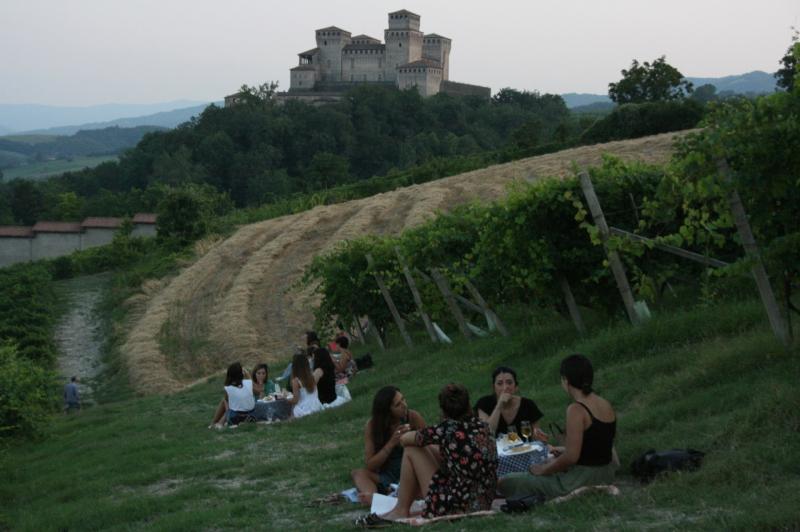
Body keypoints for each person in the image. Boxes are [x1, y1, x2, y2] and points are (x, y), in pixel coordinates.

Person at [498, 354, 617, 500]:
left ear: (566, 380)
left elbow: (571, 457)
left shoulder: (576, 409)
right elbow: (597, 445)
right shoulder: (605, 403)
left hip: (583, 478)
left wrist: (543, 470)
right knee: (549, 463)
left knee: (507, 481)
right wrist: (562, 452)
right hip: (607, 473)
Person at [379, 383, 497, 521]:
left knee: (412, 449)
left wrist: (407, 434)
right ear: (468, 404)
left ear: (443, 409)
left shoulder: (446, 429)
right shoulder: (483, 425)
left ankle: (401, 509)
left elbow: (405, 440)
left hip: (458, 506)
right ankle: (404, 502)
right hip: (484, 500)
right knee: (430, 447)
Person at [350, 386, 426, 505]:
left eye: (403, 399)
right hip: (388, 476)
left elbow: (429, 448)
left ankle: (391, 496)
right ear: (387, 411)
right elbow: (370, 465)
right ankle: (376, 499)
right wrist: (391, 443)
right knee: (358, 474)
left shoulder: (413, 417)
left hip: (412, 473)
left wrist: (413, 439)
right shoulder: (373, 426)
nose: (404, 405)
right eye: (398, 404)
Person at [475, 366, 544, 437]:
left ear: (516, 387)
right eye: (499, 383)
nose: (505, 387)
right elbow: (487, 433)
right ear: (494, 387)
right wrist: (499, 405)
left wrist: (541, 437)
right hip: (495, 444)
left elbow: (536, 435)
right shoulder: (484, 403)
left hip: (523, 444)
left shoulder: (528, 404)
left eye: (509, 383)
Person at [288, 353, 323, 418]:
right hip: (316, 405)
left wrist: (286, 399)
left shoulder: (296, 381)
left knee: (293, 408)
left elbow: (295, 400)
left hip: (304, 408)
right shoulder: (313, 376)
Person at [222, 362, 255, 426]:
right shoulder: (248, 382)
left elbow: (227, 401)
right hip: (252, 414)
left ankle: (217, 422)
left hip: (236, 417)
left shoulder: (228, 388)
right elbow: (250, 380)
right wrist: (247, 373)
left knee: (224, 400)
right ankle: (220, 422)